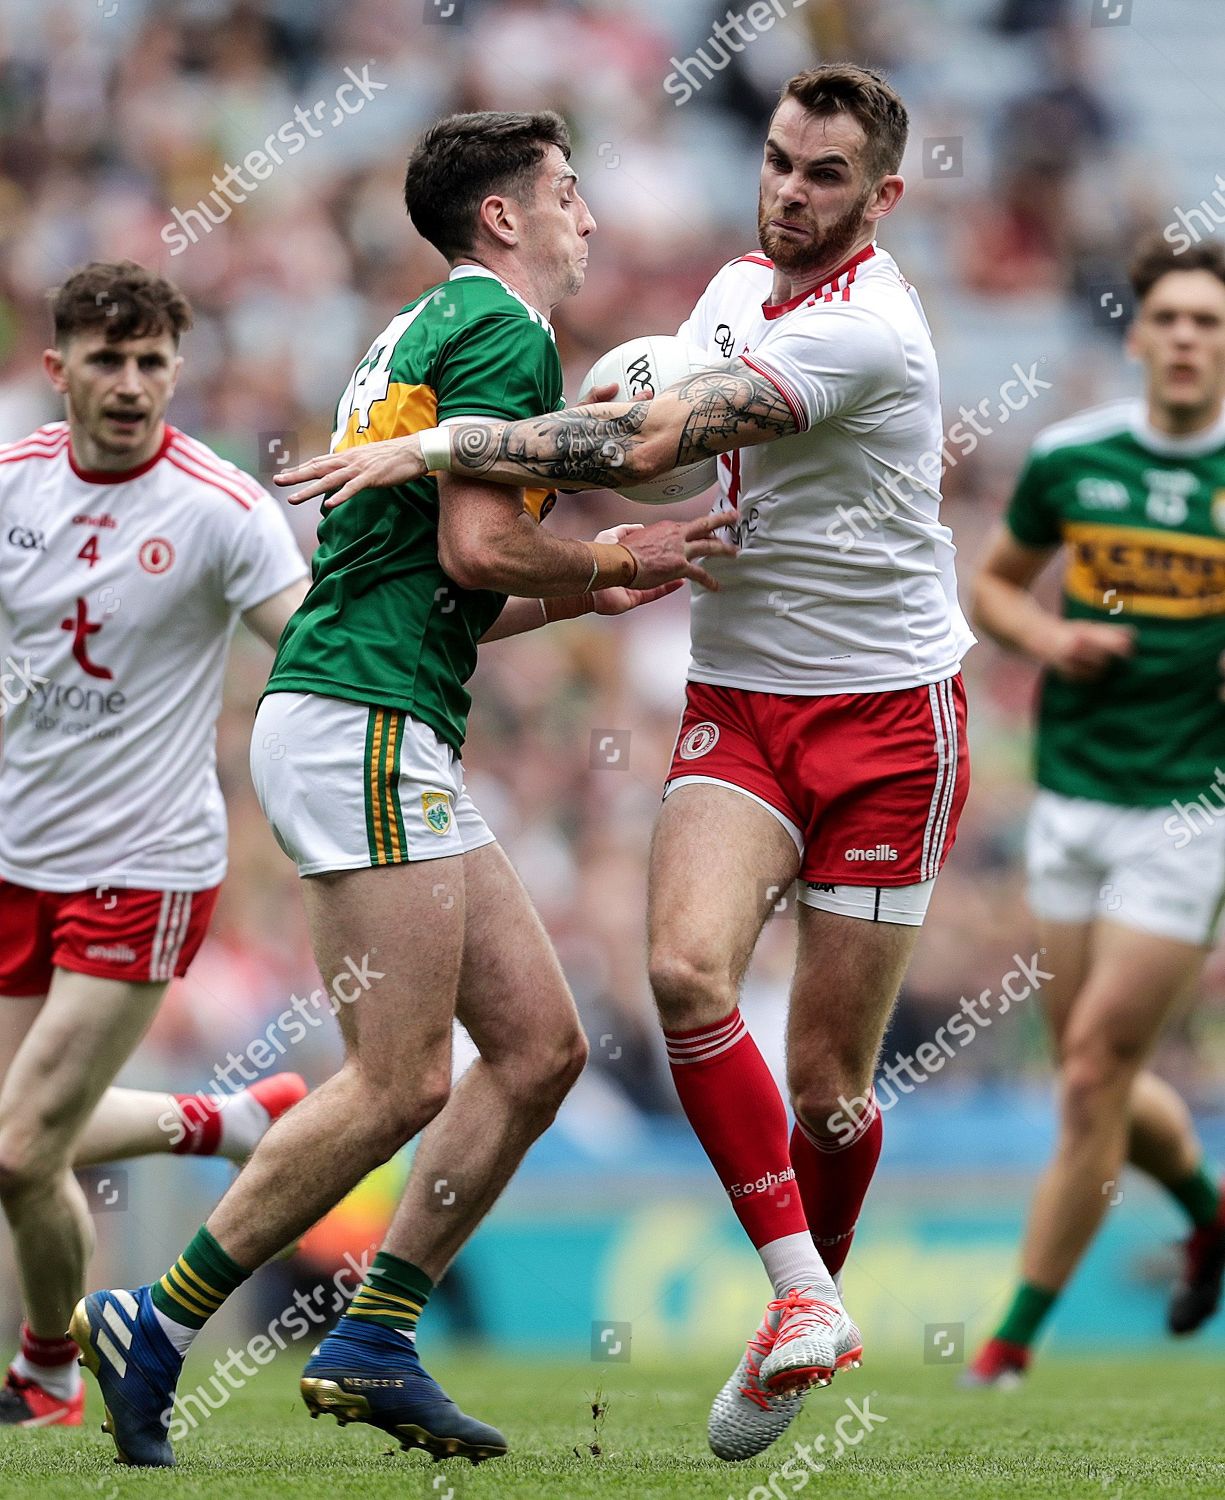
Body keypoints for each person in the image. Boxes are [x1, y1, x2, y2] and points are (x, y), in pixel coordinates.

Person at [273, 64, 975, 1462]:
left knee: (831, 1082)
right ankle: (800, 1301)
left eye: (824, 175)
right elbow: (651, 453)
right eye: (777, 159)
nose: (787, 188)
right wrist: (594, 544)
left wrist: (439, 449)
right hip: (743, 702)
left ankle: (799, 1309)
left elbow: (643, 437)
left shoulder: (873, 336)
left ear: (881, 197)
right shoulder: (727, 294)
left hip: (894, 718)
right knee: (677, 974)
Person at [72, 110, 732, 1468]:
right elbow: (488, 546)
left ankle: (372, 1334)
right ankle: (156, 1317)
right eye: (566, 193)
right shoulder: (501, 331)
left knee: (541, 1049)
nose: (588, 217)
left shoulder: (418, 332)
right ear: (502, 217)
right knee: (397, 1081)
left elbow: (451, 586)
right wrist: (617, 554)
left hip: (376, 704)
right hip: (362, 717)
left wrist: (614, 577)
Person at [0, 261, 310, 1428]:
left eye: (150, 363)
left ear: (175, 371)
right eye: (105, 361)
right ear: (57, 371)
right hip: (17, 852)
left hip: (146, 864)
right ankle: (217, 1122)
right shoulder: (12, 487)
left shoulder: (222, 507)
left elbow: (308, 641)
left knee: (22, 1147)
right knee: (19, 1137)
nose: (129, 385)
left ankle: (48, 1366)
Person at [965, 237, 1225, 1385]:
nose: (1184, 337)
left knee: (1087, 1078)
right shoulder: (1073, 459)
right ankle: (1211, 1217)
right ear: (1135, 333)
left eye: (1207, 323)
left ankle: (1006, 1348)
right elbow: (989, 588)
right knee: (1092, 1068)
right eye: (1168, 317)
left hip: (1188, 810)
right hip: (1072, 802)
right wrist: (1051, 636)